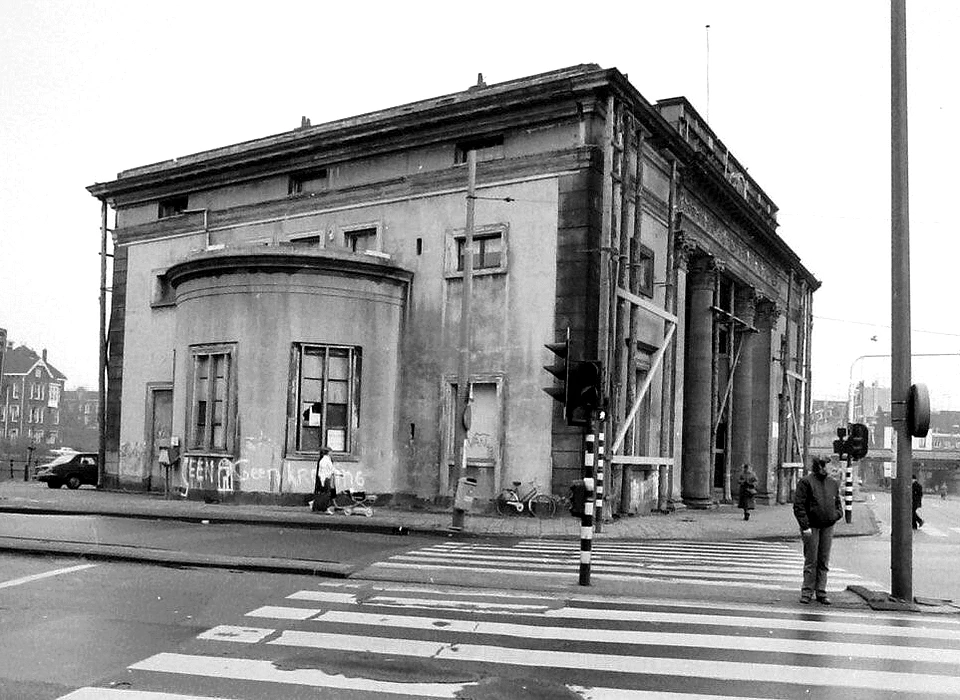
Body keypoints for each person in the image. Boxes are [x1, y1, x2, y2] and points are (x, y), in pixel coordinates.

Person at [793, 457, 842, 605]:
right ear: (821, 467)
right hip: (811, 526)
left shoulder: (832, 483)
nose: (832, 468)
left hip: (828, 525)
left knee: (823, 559)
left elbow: (837, 503)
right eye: (829, 465)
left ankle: (821, 591)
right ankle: (807, 591)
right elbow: (799, 506)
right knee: (811, 559)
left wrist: (835, 515)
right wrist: (805, 526)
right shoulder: (806, 482)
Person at [312, 446, 336, 513]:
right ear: (328, 453)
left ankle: (318, 507)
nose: (332, 453)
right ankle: (324, 508)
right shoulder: (325, 460)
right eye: (331, 452)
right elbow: (329, 470)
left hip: (325, 478)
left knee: (323, 493)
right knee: (326, 493)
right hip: (326, 479)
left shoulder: (323, 459)